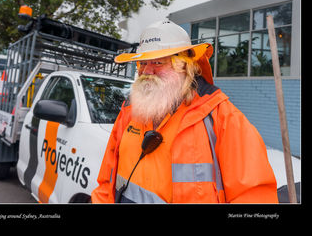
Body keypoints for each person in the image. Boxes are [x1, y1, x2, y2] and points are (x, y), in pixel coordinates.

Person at [91, 20, 278, 203]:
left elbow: (254, 197)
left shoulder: (221, 117)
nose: (147, 71)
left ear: (184, 67)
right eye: (142, 63)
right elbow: (107, 183)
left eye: (157, 62)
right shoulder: (129, 112)